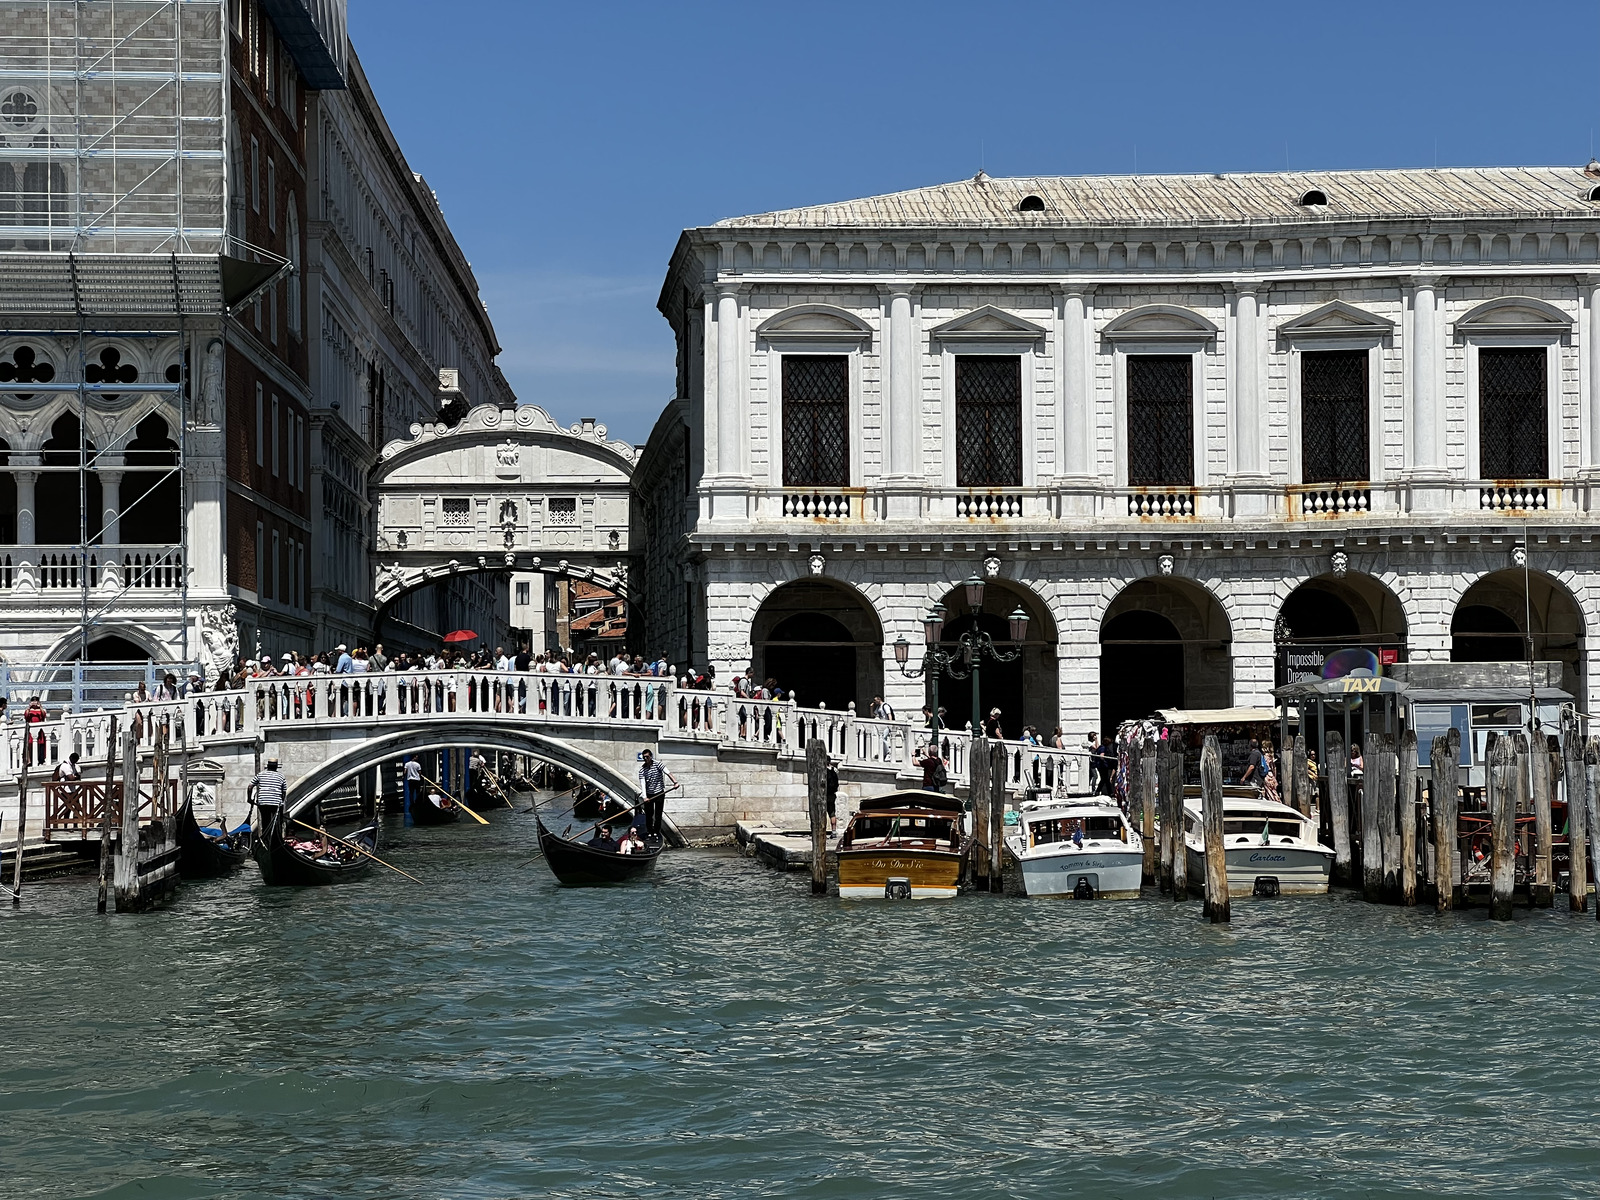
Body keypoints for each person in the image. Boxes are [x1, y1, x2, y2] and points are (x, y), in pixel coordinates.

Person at [638, 748, 677, 837]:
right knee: (649, 814)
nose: (645, 759)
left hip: (659, 793)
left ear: (651, 756)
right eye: (644, 757)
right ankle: (650, 831)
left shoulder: (658, 764)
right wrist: (644, 797)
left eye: (647, 757)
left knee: (658, 814)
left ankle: (656, 831)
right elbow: (643, 784)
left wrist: (675, 782)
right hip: (649, 794)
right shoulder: (642, 770)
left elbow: (668, 772)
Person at [248, 755, 287, 833]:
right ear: (276, 767)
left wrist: (249, 799)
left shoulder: (260, 774)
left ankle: (266, 839)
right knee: (277, 823)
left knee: (265, 822)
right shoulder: (281, 776)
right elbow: (284, 791)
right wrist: (281, 801)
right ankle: (276, 839)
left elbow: (250, 786)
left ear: (268, 766)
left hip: (263, 802)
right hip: (276, 803)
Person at [826, 757, 840, 836]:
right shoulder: (834, 770)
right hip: (832, 794)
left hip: (824, 794)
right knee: (832, 813)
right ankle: (834, 831)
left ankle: (821, 830)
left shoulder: (822, 769)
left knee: (821, 813)